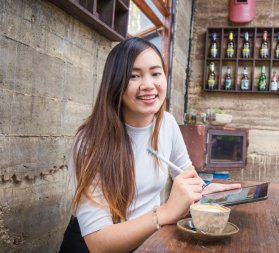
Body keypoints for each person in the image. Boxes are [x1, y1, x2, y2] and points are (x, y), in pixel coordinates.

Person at [59, 37, 241, 253]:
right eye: (134, 76)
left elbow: (187, 175)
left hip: (148, 241)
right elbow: (98, 243)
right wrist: (164, 213)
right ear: (115, 83)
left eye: (156, 73)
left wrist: (205, 190)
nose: (148, 85)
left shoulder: (166, 123)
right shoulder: (89, 142)